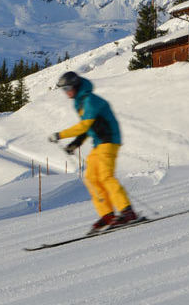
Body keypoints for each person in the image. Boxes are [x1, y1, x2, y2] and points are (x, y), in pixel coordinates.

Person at [49, 71, 137, 233]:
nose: (66, 92)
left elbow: (84, 126)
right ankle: (108, 215)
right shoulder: (80, 102)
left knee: (105, 176)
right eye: (63, 89)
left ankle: (127, 212)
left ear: (75, 85)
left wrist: (60, 135)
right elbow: (88, 127)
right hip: (99, 143)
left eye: (67, 88)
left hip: (109, 140)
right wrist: (76, 143)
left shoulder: (90, 100)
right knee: (90, 178)